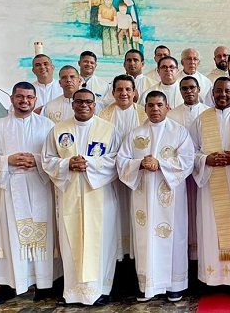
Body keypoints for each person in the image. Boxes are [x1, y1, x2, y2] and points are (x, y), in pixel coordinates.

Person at [0, 82, 62, 306]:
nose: (24, 101)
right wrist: (7, 160)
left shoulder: (47, 125)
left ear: (35, 100)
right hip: (11, 187)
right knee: (12, 237)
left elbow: (55, 155)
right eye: (20, 97)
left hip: (39, 187)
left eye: (29, 97)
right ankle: (10, 285)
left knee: (41, 235)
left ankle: (44, 285)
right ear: (12, 99)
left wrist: (35, 159)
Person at [42, 88, 122, 305]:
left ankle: (100, 290)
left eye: (88, 102)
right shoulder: (59, 130)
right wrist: (67, 163)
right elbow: (47, 159)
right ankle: (73, 292)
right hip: (70, 196)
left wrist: (89, 163)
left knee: (101, 240)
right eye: (79, 102)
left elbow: (116, 160)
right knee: (71, 240)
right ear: (72, 104)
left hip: (99, 194)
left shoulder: (108, 129)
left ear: (95, 105)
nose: (84, 105)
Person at [117, 91, 195, 302]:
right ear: (145, 108)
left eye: (159, 104)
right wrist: (139, 163)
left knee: (174, 236)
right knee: (145, 238)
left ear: (167, 107)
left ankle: (175, 285)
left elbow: (188, 160)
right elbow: (121, 161)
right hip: (143, 196)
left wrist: (160, 164)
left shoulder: (179, 132)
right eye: (150, 105)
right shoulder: (135, 134)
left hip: (170, 194)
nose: (155, 109)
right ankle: (147, 285)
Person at [189, 77, 230, 294]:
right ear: (211, 93)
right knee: (211, 227)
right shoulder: (200, 119)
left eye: (227, 91)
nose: (223, 95)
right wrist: (206, 160)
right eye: (218, 91)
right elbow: (191, 152)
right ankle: (212, 278)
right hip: (210, 184)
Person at [98, 74, 147, 298]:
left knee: (137, 222)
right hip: (113, 179)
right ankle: (117, 276)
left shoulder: (145, 114)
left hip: (139, 179)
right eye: (119, 90)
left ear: (135, 92)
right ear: (113, 92)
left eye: (128, 89)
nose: (124, 93)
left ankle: (138, 275)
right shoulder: (103, 116)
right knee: (116, 223)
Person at [167, 75, 209, 265]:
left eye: (192, 87)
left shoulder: (208, 113)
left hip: (203, 174)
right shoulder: (172, 116)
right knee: (183, 217)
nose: (189, 91)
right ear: (180, 91)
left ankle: (202, 259)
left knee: (202, 216)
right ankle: (185, 262)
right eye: (184, 88)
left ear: (199, 89)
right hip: (178, 176)